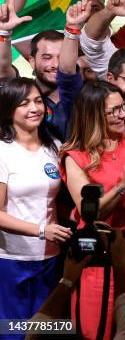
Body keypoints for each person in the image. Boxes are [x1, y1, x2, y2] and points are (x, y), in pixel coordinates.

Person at [59, 81, 125, 339]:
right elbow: (90, 212)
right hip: (98, 257)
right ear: (93, 115)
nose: (122, 114)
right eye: (113, 111)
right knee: (96, 330)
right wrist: (123, 184)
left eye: (123, 107)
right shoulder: (75, 155)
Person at [0, 78, 72, 332]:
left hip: (50, 259)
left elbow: (56, 200)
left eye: (38, 101)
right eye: (24, 103)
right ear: (9, 111)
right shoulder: (3, 152)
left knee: (46, 332)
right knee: (13, 331)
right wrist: (41, 230)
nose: (34, 108)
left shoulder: (54, 147)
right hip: (11, 261)